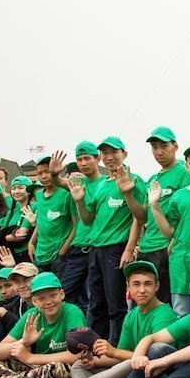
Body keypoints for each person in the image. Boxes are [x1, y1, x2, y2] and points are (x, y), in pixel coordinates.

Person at [11, 260, 177, 378]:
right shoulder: (132, 314)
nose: (142, 290)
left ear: (157, 286)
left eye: (147, 284)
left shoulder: (163, 314)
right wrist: (94, 361)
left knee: (128, 364)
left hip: (151, 374)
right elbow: (122, 355)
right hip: (130, 368)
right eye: (136, 284)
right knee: (79, 365)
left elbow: (154, 358)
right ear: (128, 286)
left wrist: (114, 352)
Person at [69, 136, 146, 344]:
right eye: (105, 153)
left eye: (114, 152)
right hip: (96, 249)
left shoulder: (134, 179)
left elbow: (140, 217)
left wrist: (129, 248)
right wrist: (79, 201)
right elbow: (88, 219)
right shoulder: (102, 185)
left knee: (116, 305)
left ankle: (119, 348)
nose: (109, 157)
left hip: (116, 249)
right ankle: (94, 347)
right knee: (97, 303)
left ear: (124, 154)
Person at [0, 272, 85, 378]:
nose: (48, 302)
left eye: (53, 295)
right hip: (33, 368)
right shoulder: (32, 315)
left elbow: (77, 355)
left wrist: (30, 358)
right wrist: (24, 341)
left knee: (59, 370)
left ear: (62, 294)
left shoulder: (72, 312)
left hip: (51, 366)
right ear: (34, 301)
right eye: (41, 298)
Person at [149, 143, 190, 318]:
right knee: (180, 314)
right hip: (181, 264)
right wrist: (155, 206)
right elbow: (169, 232)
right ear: (185, 166)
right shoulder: (178, 196)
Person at [136, 127, 190, 303]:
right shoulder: (153, 179)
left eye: (164, 146)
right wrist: (128, 194)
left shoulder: (183, 173)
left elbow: (187, 213)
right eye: (154, 147)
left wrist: (172, 243)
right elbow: (142, 217)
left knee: (164, 302)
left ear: (175, 146)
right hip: (146, 248)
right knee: (144, 301)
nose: (159, 151)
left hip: (165, 247)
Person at [55, 141, 104, 313]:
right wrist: (54, 173)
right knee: (64, 292)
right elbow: (59, 182)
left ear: (97, 159)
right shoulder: (78, 181)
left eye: (87, 158)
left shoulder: (107, 182)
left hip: (98, 247)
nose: (83, 163)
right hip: (78, 248)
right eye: (79, 159)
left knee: (96, 297)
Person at [30, 156, 76, 275]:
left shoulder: (67, 194)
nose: (44, 176)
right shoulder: (39, 195)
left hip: (58, 255)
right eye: (39, 173)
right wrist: (31, 242)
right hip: (40, 254)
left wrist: (63, 250)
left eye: (47, 172)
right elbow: (41, 221)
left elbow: (77, 224)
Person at [1, 175, 35, 265]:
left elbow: (21, 235)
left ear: (29, 191)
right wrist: (9, 236)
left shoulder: (33, 207)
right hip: (11, 254)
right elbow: (0, 233)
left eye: (20, 188)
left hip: (27, 253)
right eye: (13, 188)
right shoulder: (11, 212)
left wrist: (6, 236)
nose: (16, 191)